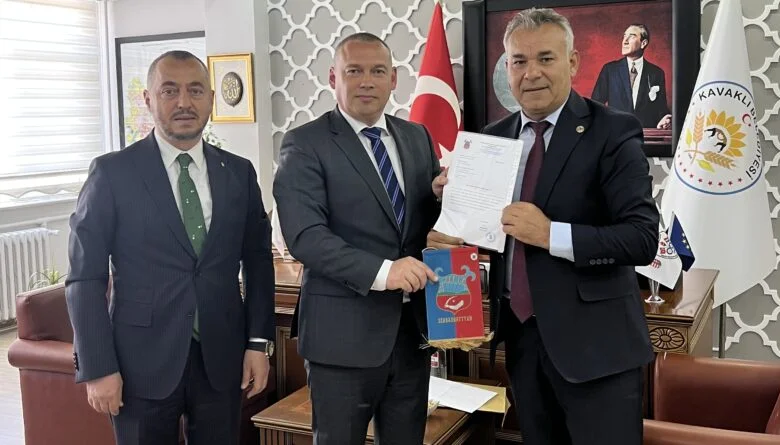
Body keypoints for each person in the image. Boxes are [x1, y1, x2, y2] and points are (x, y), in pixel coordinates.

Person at [428, 7, 659, 445]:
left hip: (598, 352)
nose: (531, 72)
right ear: (507, 69)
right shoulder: (491, 138)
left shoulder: (613, 131)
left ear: (572, 62)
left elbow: (642, 238)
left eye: (545, 58)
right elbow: (487, 235)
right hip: (522, 344)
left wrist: (551, 234)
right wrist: (452, 208)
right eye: (519, 61)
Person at [66, 50, 276, 445]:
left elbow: (258, 263)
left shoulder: (239, 172)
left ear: (210, 98)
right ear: (148, 99)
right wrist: (98, 366)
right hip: (139, 364)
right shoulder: (112, 173)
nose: (184, 102)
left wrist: (257, 343)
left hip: (222, 359)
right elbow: (84, 278)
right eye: (169, 91)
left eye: (195, 90)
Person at [273, 32, 442, 445]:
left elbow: (421, 225)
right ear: (334, 77)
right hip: (341, 341)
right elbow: (305, 237)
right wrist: (385, 272)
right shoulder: (304, 143)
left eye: (378, 71)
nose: (367, 81)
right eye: (354, 71)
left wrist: (445, 198)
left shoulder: (417, 136)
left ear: (393, 79)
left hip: (412, 335)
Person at [591, 23, 672, 129]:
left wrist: (665, 119)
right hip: (616, 134)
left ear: (643, 43)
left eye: (632, 36)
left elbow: (661, 109)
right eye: (624, 36)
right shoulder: (610, 70)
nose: (625, 41)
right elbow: (595, 105)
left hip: (646, 136)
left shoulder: (656, 73)